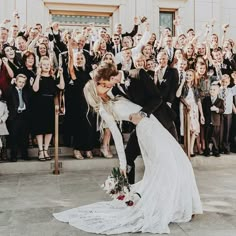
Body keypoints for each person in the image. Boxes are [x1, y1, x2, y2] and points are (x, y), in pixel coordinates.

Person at [53, 63, 203, 234]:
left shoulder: (130, 80)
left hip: (158, 122)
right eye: (101, 86)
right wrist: (123, 165)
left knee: (178, 162)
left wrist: (142, 114)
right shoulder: (105, 107)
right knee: (165, 166)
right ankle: (170, 206)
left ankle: (182, 204)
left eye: (103, 83)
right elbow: (117, 136)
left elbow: (156, 98)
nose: (107, 87)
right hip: (147, 131)